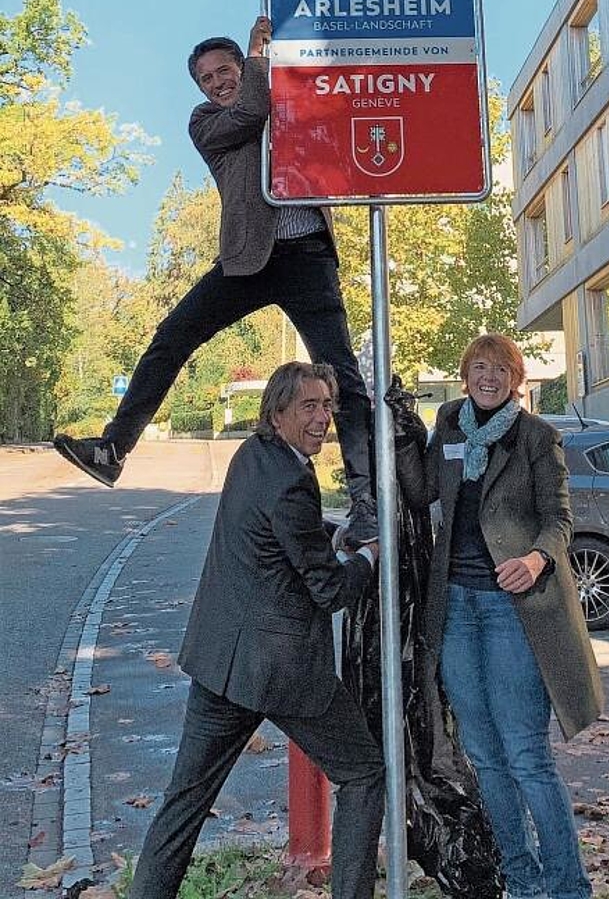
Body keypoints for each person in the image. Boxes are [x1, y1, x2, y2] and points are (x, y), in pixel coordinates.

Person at [54, 16, 376, 543]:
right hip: (247, 259)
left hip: (307, 253)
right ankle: (113, 449)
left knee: (343, 376)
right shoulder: (206, 122)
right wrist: (255, 58)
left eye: (224, 70)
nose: (217, 82)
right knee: (171, 338)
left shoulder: (286, 89)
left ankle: (367, 500)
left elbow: (321, 113)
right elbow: (252, 110)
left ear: (239, 66)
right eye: (207, 78)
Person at [128, 361, 385, 899]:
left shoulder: (253, 456)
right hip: (281, 669)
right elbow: (330, 591)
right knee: (363, 774)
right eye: (310, 407)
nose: (323, 419)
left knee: (185, 803)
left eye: (327, 406)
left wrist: (331, 535)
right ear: (279, 413)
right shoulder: (293, 479)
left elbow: (282, 532)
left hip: (221, 661)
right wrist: (366, 556)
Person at [386, 333, 604, 899]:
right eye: (478, 367)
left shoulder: (538, 437)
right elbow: (419, 493)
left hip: (514, 612)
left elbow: (559, 520)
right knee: (483, 755)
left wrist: (535, 560)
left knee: (526, 754)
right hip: (455, 607)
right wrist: (407, 435)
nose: (488, 377)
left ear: (516, 380)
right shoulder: (452, 425)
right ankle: (524, 883)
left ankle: (567, 887)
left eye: (500, 369)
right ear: (465, 376)